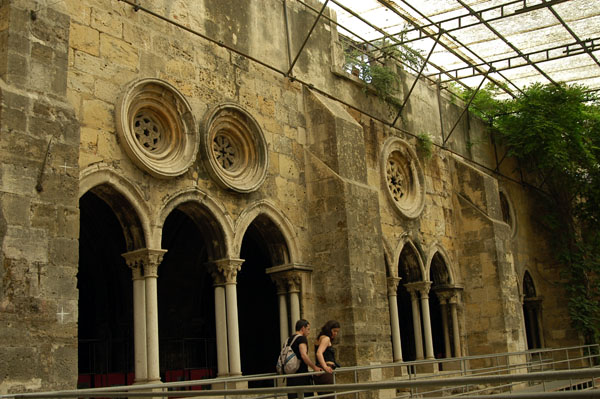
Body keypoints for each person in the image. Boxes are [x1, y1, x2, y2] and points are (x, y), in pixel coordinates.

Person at [286, 319, 322, 399]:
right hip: (301, 376)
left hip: (291, 376)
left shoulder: (289, 339)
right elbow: (303, 355)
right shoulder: (302, 339)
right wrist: (314, 367)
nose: (309, 332)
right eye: (308, 329)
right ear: (303, 328)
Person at [313, 320, 341, 396]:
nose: (335, 333)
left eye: (337, 332)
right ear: (329, 329)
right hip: (325, 372)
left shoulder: (319, 338)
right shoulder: (326, 339)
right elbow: (319, 353)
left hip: (319, 371)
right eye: (334, 331)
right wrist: (325, 366)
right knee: (329, 396)